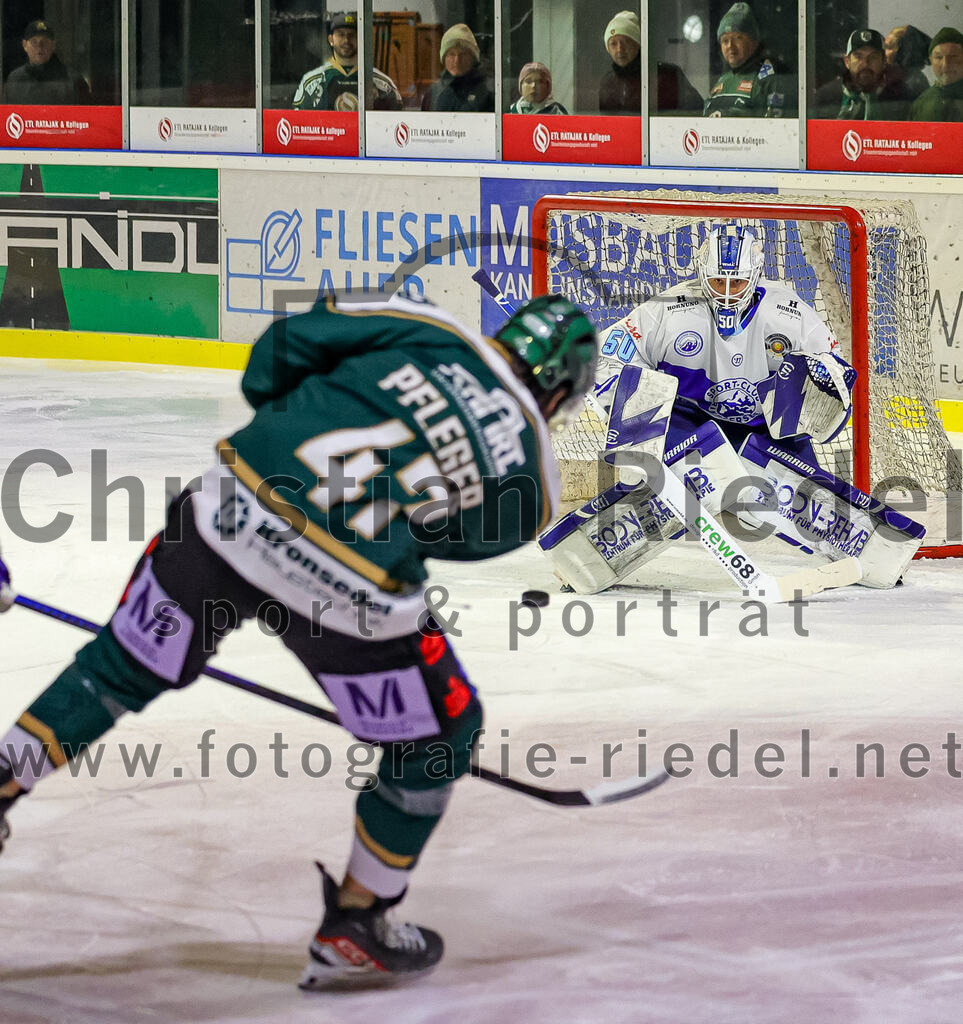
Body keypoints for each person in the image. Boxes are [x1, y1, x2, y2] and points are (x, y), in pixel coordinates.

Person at [0, 290, 597, 984]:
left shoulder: (431, 326)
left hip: (226, 509)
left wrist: (282, 426)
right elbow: (458, 539)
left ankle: (6, 777)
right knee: (439, 737)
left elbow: (280, 350)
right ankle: (358, 922)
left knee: (122, 666)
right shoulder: (537, 472)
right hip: (346, 591)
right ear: (559, 393)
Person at [541, 226, 923, 593]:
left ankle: (878, 556)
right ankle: (587, 556)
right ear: (702, 275)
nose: (725, 293)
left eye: (736, 282)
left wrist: (823, 378)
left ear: (755, 276)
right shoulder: (668, 310)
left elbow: (835, 370)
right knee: (669, 488)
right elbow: (607, 358)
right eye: (717, 282)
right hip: (690, 421)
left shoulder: (789, 311)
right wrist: (622, 404)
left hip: (765, 428)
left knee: (805, 499)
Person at [292, 11, 402, 111]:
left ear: (360, 39)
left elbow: (394, 123)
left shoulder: (383, 84)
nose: (346, 40)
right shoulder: (311, 82)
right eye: (341, 34)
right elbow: (299, 123)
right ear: (331, 40)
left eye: (352, 35)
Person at [599, 10, 702, 116]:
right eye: (613, 44)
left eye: (626, 42)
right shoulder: (608, 83)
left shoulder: (667, 76)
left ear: (637, 44)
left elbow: (696, 111)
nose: (620, 49)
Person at [703, 3, 796, 118]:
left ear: (754, 42)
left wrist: (732, 115)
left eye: (738, 38)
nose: (730, 46)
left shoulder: (768, 79)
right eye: (725, 41)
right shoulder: (722, 80)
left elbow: (775, 126)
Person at [812, 28, 912, 120]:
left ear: (884, 61)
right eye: (858, 56)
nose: (865, 63)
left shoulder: (900, 98)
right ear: (847, 61)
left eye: (873, 57)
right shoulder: (827, 96)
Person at [3, 20, 91, 105]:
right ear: (24, 45)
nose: (39, 47)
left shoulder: (73, 81)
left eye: (45, 41)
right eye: (34, 42)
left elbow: (87, 117)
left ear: (53, 45)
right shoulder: (15, 79)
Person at [422, 24, 494, 112]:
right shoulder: (433, 93)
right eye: (451, 54)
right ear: (444, 58)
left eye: (463, 54)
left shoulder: (487, 91)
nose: (457, 61)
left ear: (473, 58)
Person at [910, 27, 963, 122]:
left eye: (953, 56)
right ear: (931, 60)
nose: (946, 64)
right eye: (939, 57)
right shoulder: (921, 102)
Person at [883, 24, 932, 99]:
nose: (883, 52)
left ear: (903, 52)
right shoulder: (893, 77)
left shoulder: (913, 83)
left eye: (888, 47)